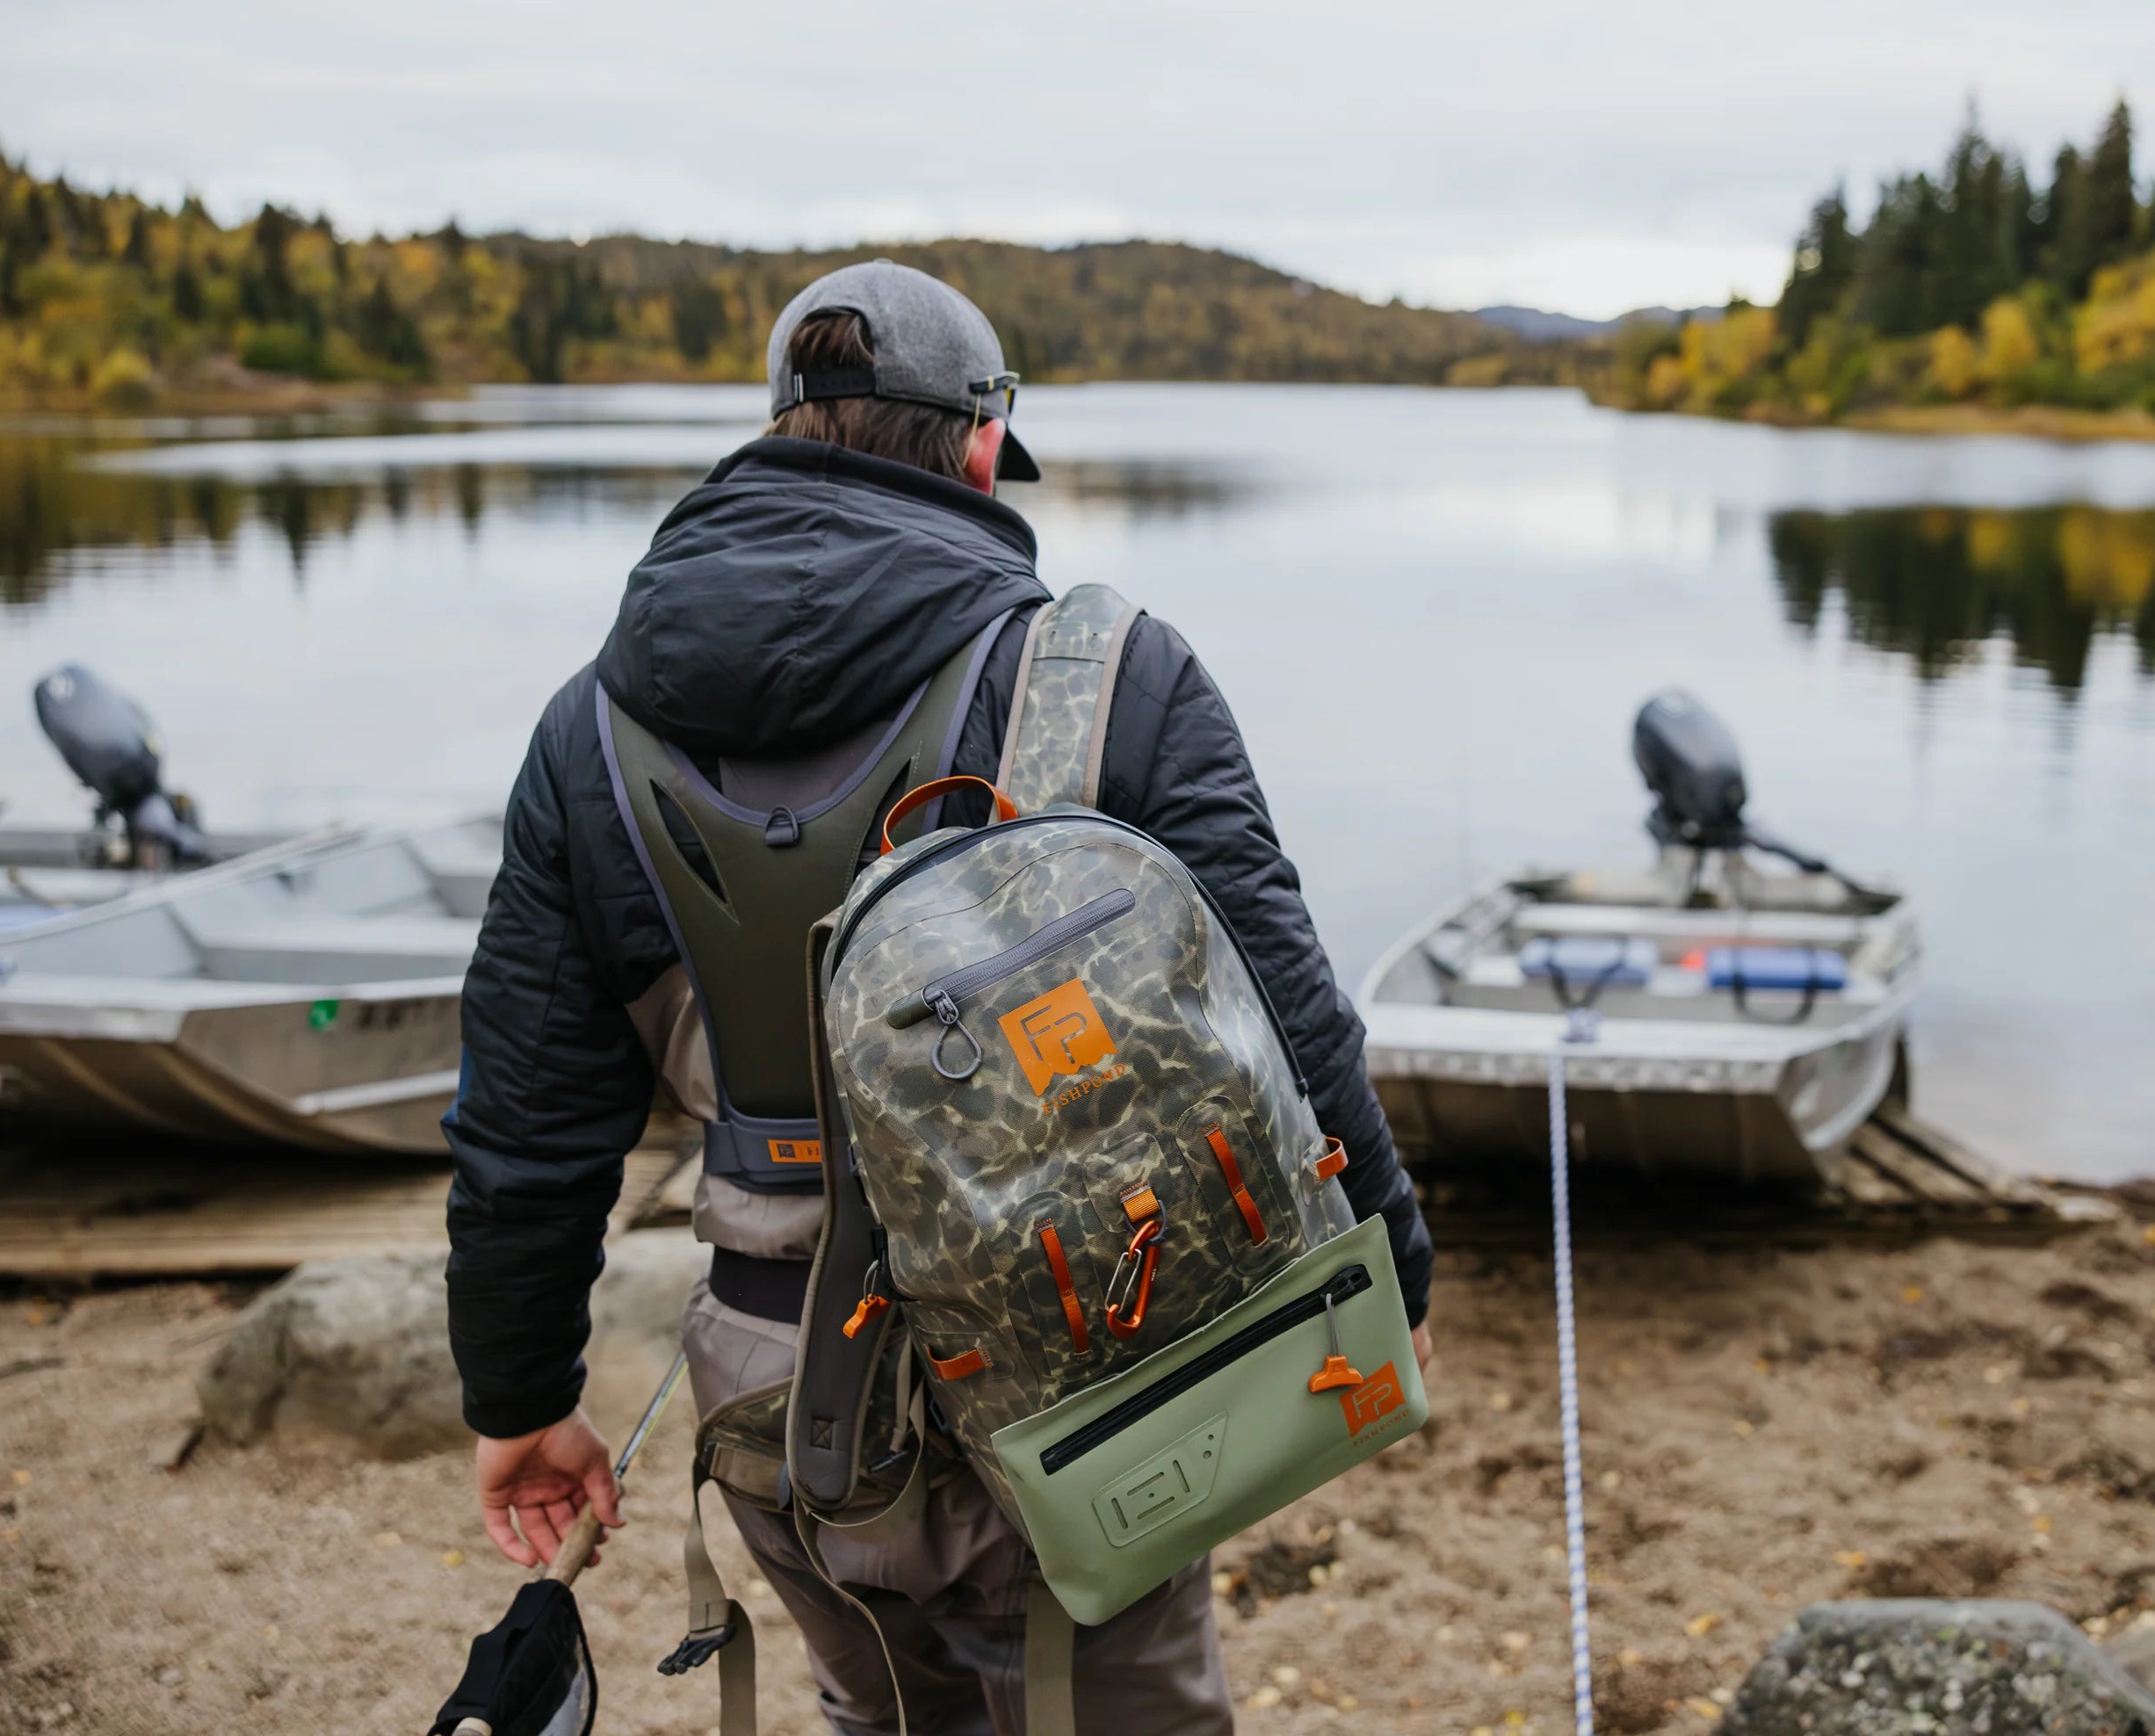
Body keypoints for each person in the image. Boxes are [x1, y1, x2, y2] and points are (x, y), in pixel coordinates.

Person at [443, 260, 1435, 1735]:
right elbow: (1287, 1021)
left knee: (886, 1723)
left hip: (783, 1402)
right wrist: (1391, 1275)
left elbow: (526, 1127)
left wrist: (519, 1401)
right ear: (980, 449)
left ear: (781, 428)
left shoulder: (586, 730)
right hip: (1099, 1369)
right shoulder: (1112, 678)